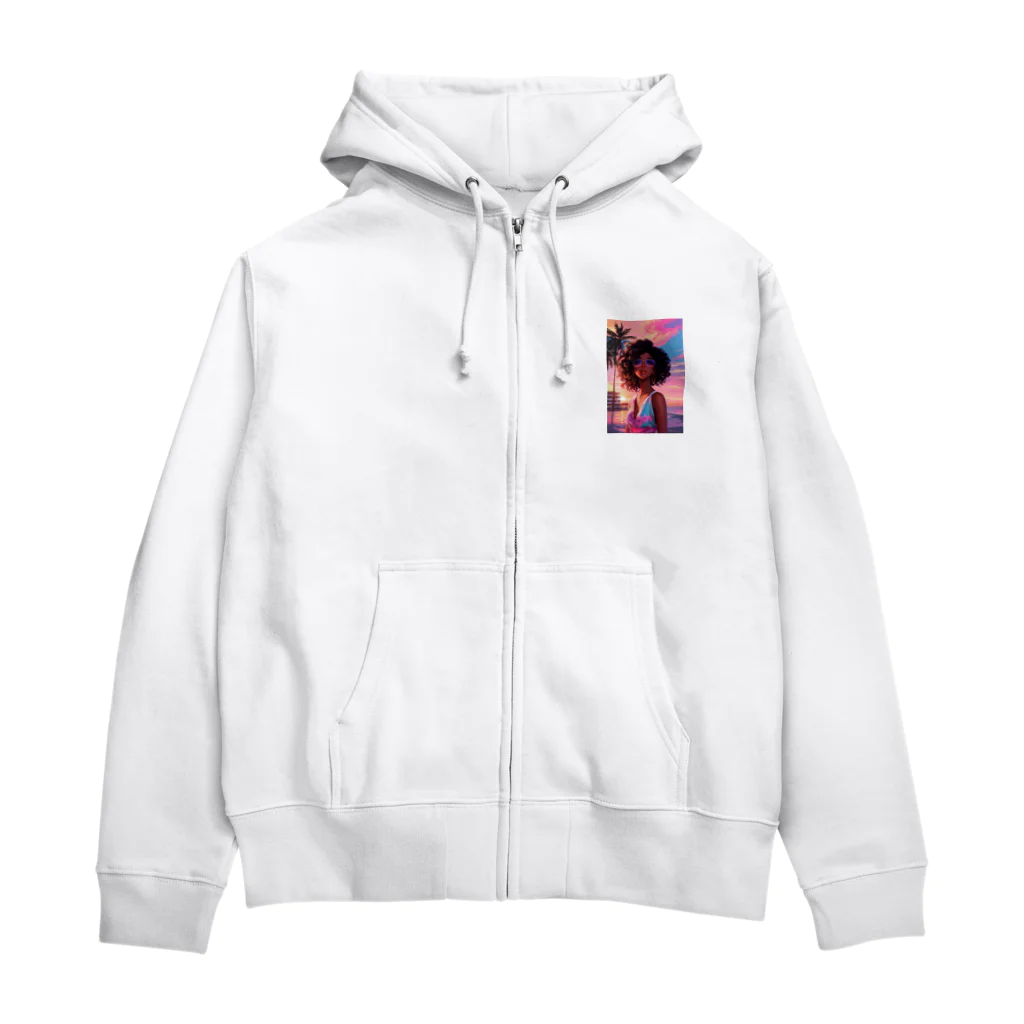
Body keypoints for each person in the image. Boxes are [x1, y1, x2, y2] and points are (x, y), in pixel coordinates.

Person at [617, 339, 670, 433]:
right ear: (631, 367)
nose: (643, 365)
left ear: (654, 368)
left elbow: (663, 435)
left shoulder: (657, 398)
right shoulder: (632, 401)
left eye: (649, 362)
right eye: (638, 361)